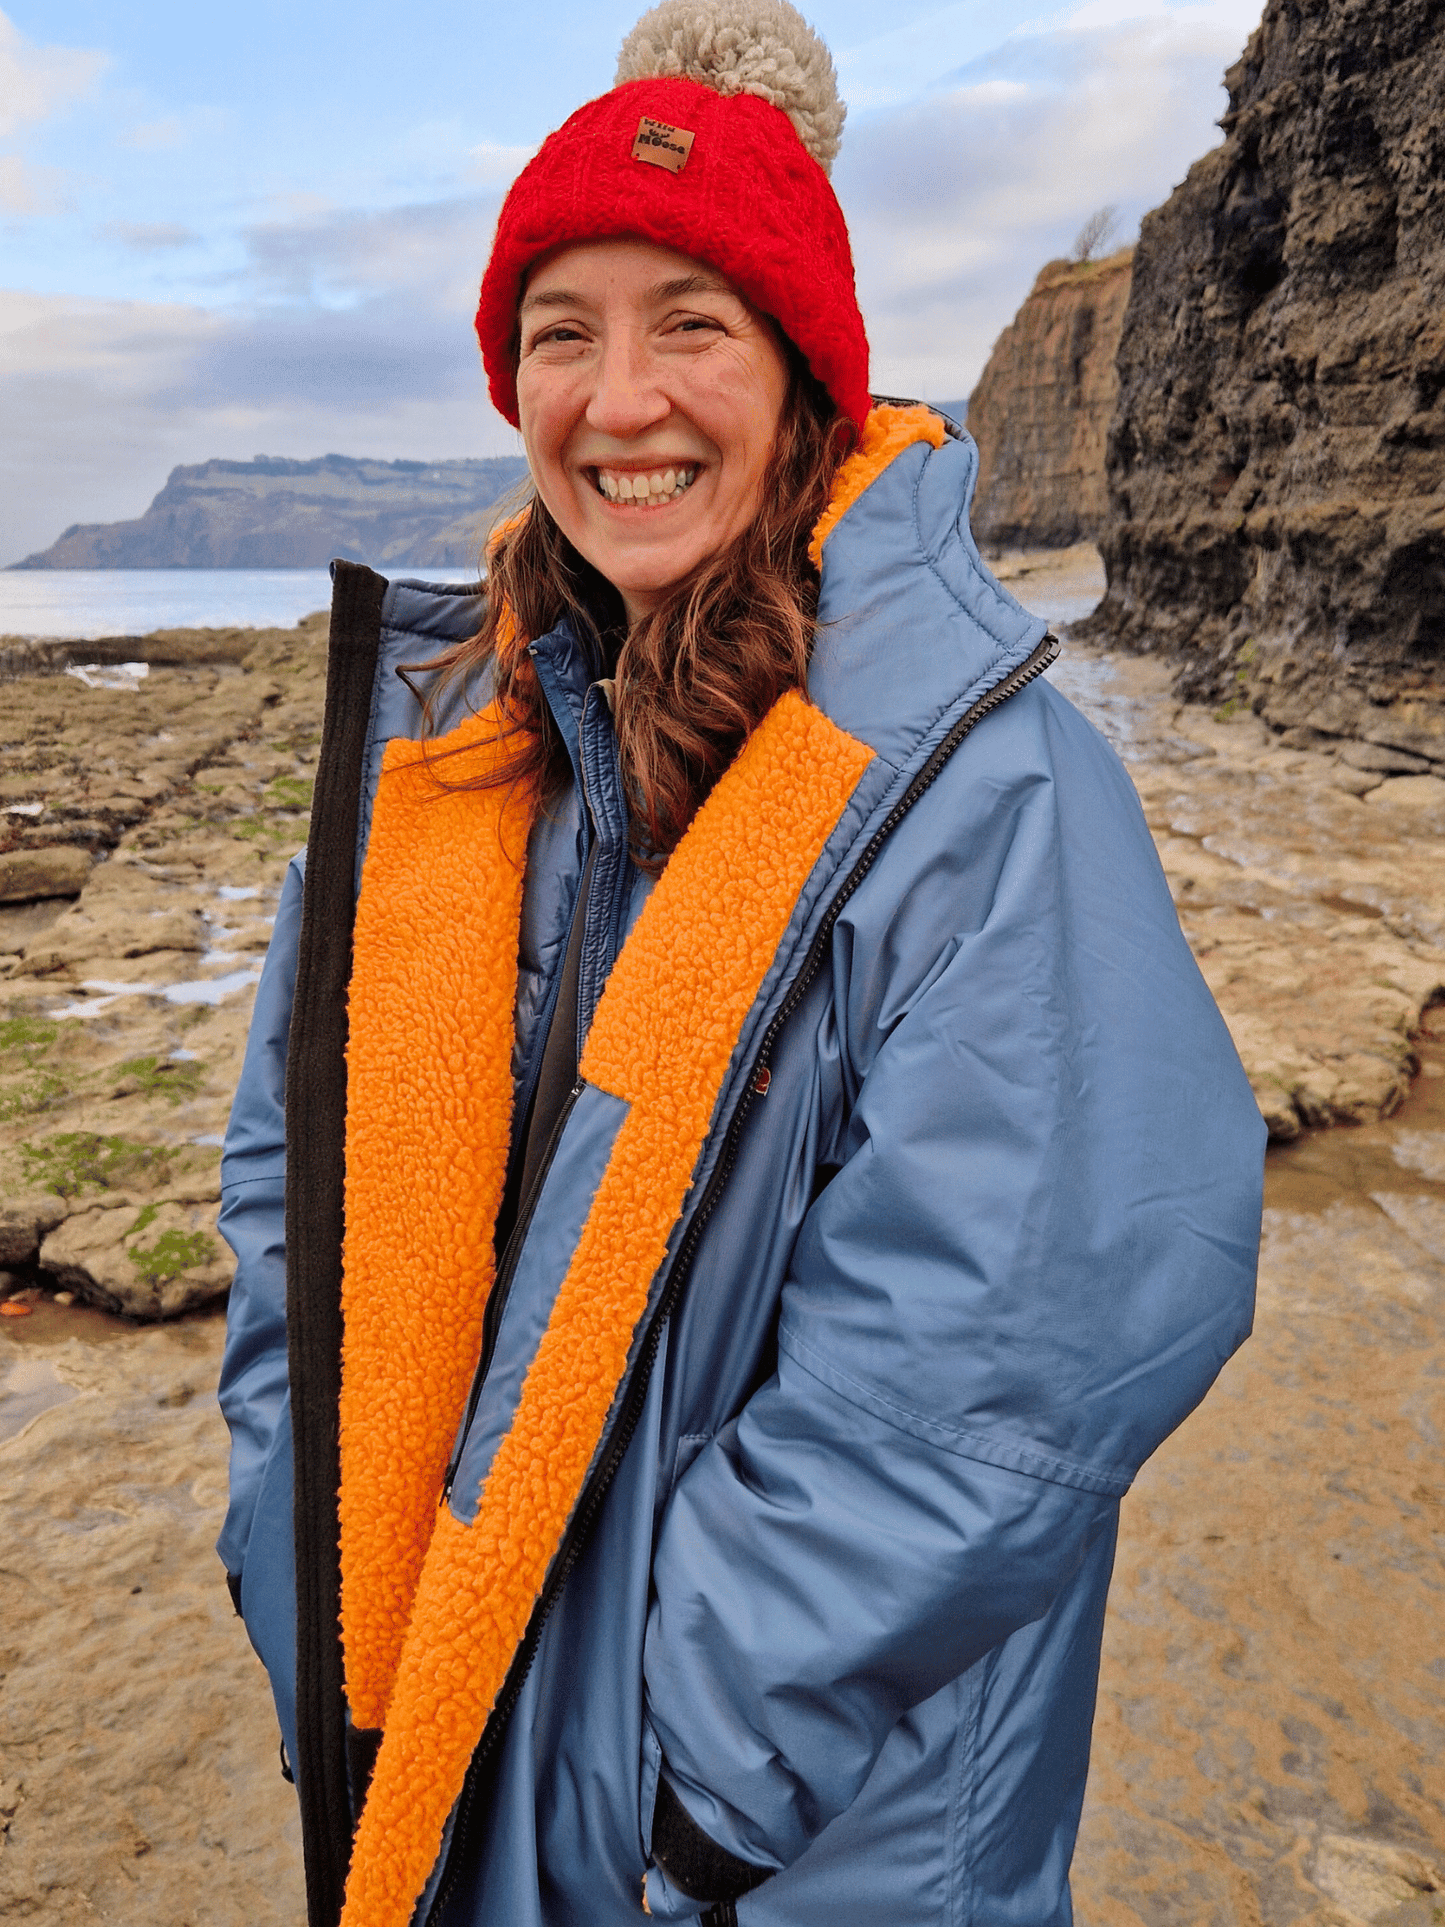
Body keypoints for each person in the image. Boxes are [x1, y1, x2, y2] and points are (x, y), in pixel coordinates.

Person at [216, 4, 1264, 1924]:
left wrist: (689, 1773)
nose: (623, 401)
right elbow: (297, 1199)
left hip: (790, 1844)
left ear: (800, 366)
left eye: (692, 321)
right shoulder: (452, 753)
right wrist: (296, 1559)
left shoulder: (984, 787)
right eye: (563, 331)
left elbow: (1040, 1325)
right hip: (439, 1732)